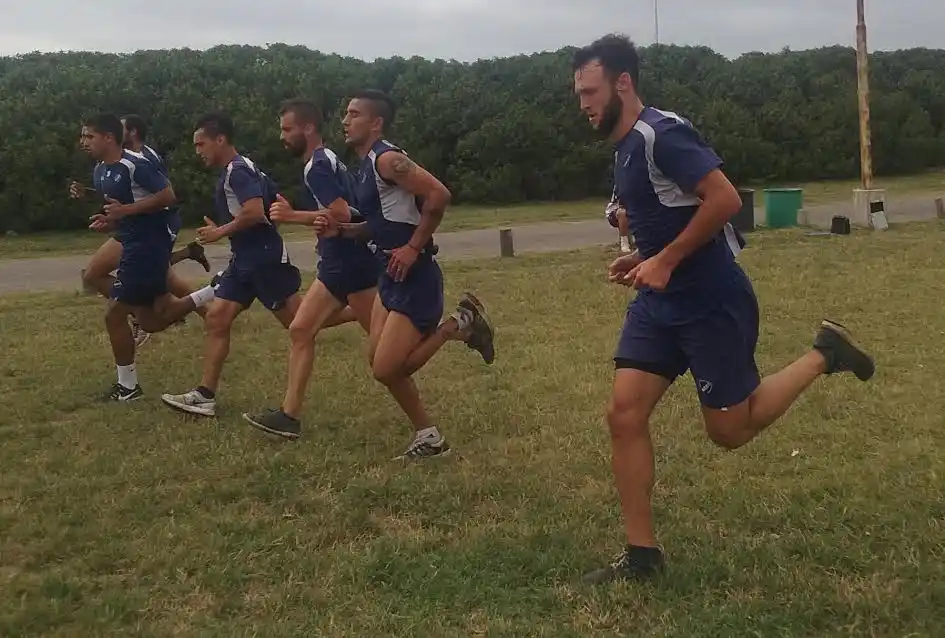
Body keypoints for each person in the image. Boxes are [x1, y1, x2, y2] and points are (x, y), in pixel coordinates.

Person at [571, 34, 876, 584]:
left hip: (710, 298)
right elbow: (675, 214)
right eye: (579, 95)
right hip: (659, 301)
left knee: (729, 432)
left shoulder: (661, 135)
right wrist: (644, 257)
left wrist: (665, 259)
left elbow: (726, 200)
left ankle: (824, 354)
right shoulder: (623, 149)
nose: (585, 104)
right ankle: (642, 557)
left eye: (591, 91)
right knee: (624, 414)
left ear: (623, 83)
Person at [308, 89, 495, 460]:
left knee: (387, 369)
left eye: (354, 114)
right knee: (379, 362)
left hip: (416, 276)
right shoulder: (365, 168)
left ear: (376, 123)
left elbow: (439, 195)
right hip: (389, 276)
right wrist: (341, 230)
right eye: (345, 113)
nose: (345, 120)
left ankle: (457, 324)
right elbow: (379, 224)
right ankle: (429, 435)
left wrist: (413, 247)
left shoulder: (387, 160)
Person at [242, 98, 380, 437]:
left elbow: (342, 214)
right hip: (340, 260)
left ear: (308, 128)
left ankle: (454, 328)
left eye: (287, 129)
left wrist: (292, 217)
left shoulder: (316, 166)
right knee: (301, 329)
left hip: (350, 263)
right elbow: (347, 210)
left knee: (387, 351)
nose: (282, 136)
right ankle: (289, 417)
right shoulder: (327, 158)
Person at [160, 112, 303, 417]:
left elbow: (255, 212)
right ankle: (204, 395)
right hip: (244, 261)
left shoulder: (237, 171)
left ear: (220, 140)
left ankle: (366, 311)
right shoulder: (236, 170)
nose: (197, 151)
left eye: (201, 144)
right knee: (217, 319)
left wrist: (219, 232)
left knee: (303, 324)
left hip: (263, 260)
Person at [79, 113, 216, 401]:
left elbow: (168, 196)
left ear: (108, 137)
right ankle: (213, 290)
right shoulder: (100, 171)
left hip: (149, 244)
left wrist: (125, 213)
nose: (84, 142)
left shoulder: (136, 164)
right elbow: (121, 209)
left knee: (114, 314)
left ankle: (128, 388)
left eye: (89, 136)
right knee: (154, 320)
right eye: (83, 137)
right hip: (131, 241)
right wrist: (109, 220)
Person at [605, 185, 633, 254]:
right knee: (622, 212)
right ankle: (624, 244)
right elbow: (623, 204)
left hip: (631, 210)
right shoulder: (623, 183)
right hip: (614, 212)